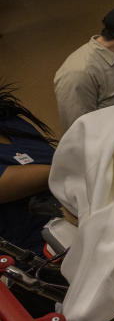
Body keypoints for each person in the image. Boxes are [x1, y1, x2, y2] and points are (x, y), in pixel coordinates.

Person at [0, 84, 58, 254]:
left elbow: (53, 159)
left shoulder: (11, 121)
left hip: (66, 235)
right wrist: (72, 168)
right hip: (26, 260)